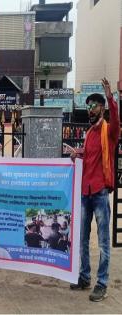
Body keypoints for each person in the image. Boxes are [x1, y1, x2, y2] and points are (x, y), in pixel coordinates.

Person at [70, 78, 119, 302]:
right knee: (81, 238)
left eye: (94, 106)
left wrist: (110, 97)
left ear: (101, 108)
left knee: (102, 241)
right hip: (85, 192)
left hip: (99, 192)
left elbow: (117, 121)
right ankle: (84, 276)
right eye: (88, 106)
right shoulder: (89, 133)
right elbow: (88, 157)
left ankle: (101, 283)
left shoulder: (109, 131)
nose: (90, 109)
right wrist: (76, 154)